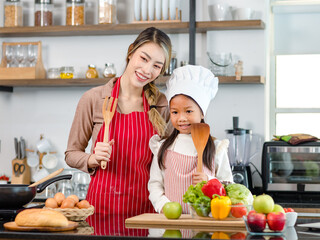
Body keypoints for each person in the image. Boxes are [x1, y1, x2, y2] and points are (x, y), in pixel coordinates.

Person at [65, 27, 172, 235]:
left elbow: (167, 161)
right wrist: (92, 159)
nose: (147, 70)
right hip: (102, 210)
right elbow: (71, 154)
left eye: (156, 66)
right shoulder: (94, 99)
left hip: (146, 212)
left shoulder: (161, 104)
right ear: (131, 52)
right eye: (143, 58)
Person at [148, 65, 233, 214]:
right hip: (171, 223)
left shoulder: (216, 148)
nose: (181, 118)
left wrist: (209, 181)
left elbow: (228, 185)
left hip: (206, 222)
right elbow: (155, 184)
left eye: (188, 111)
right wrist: (163, 206)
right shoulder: (162, 148)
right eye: (175, 112)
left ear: (202, 113)